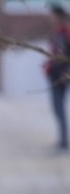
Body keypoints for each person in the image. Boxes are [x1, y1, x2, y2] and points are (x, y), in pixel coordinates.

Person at [45, 4, 70, 152]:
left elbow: (61, 56)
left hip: (60, 75)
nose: (49, 17)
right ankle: (62, 140)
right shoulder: (58, 32)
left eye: (51, 15)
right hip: (58, 74)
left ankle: (63, 142)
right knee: (57, 108)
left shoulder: (63, 33)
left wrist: (61, 71)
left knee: (58, 108)